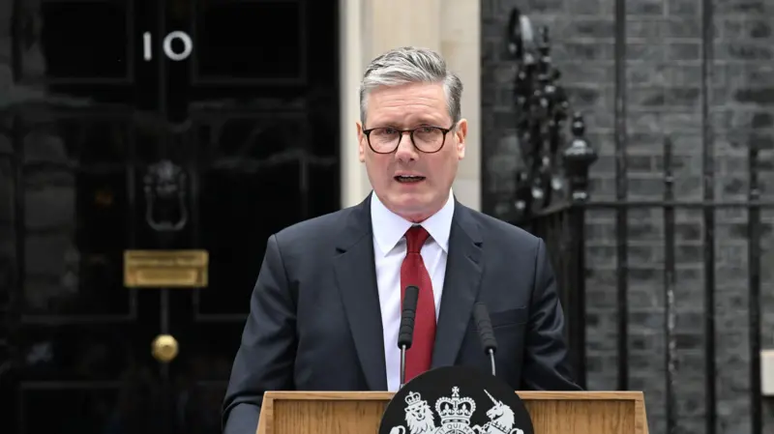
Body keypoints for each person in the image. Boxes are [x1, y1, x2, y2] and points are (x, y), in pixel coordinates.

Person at [221, 46, 581, 434]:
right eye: (387, 132)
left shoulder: (521, 260)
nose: (405, 152)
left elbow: (556, 407)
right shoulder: (296, 258)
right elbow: (250, 403)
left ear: (459, 138)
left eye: (426, 131)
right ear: (361, 142)